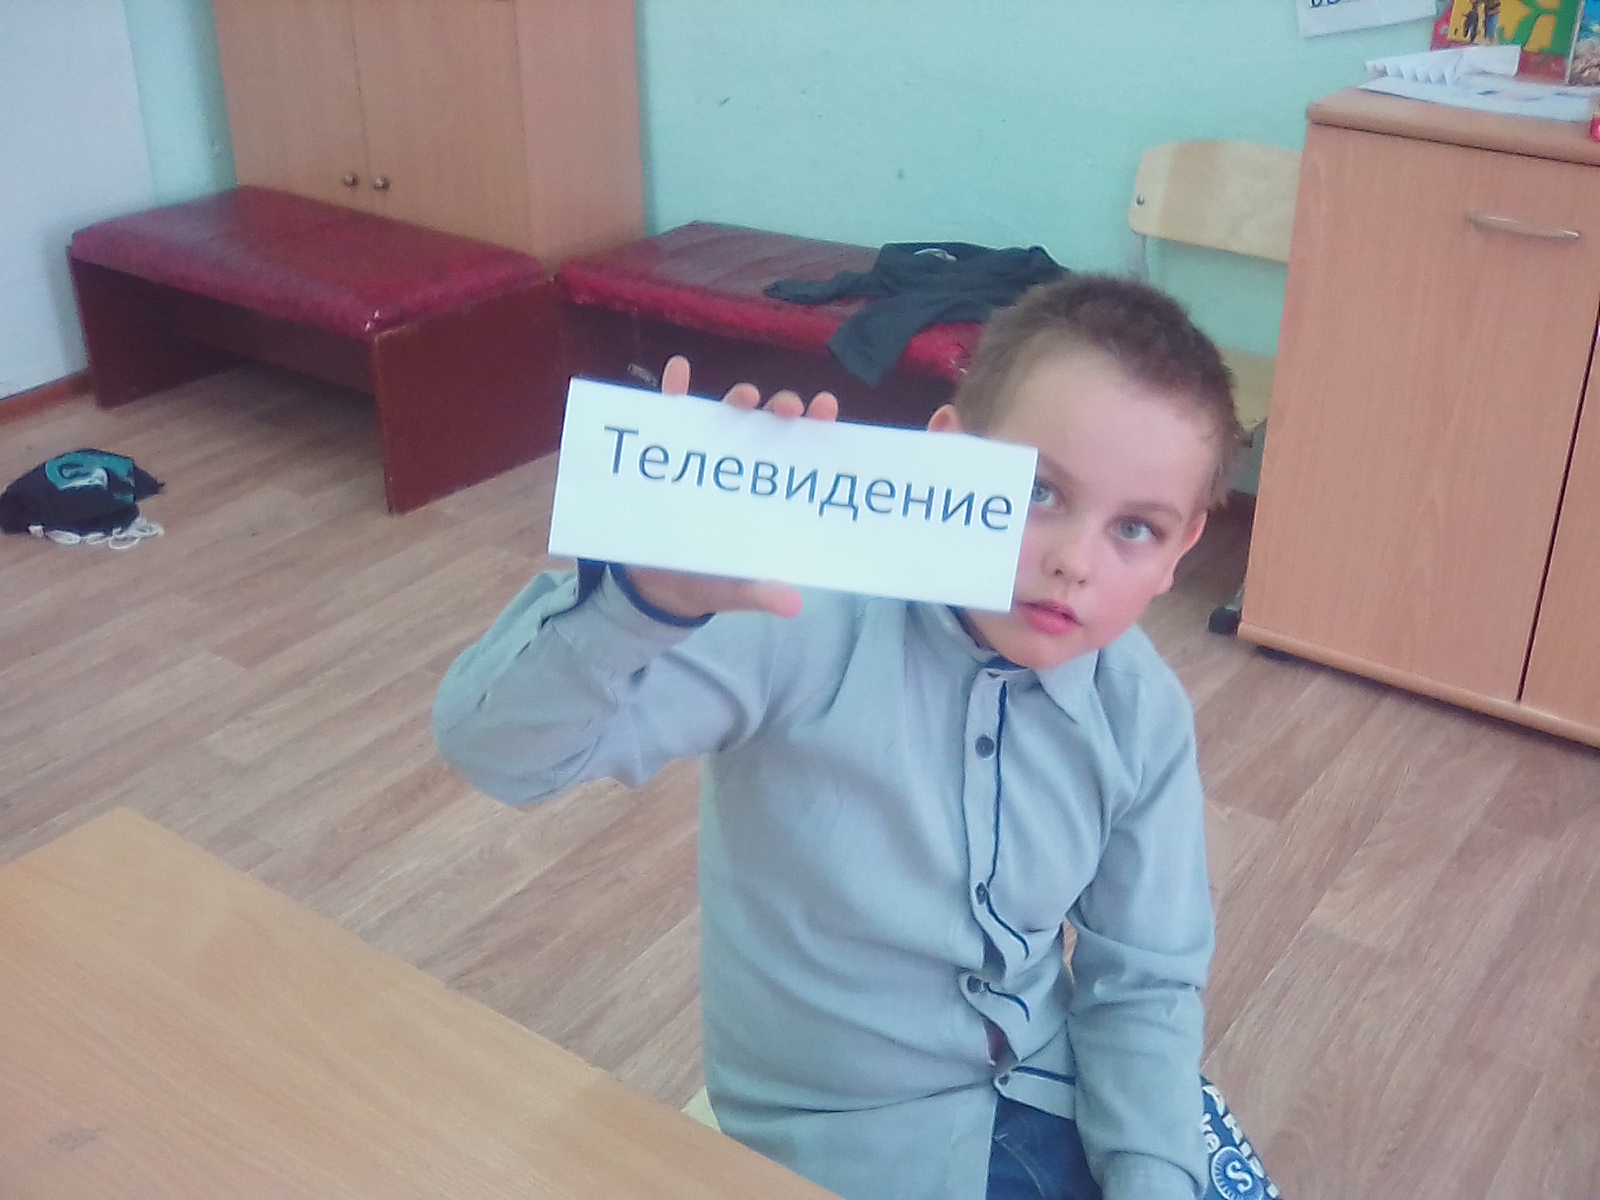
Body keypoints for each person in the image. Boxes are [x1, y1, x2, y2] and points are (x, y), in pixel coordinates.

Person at [432, 274, 1246, 1200]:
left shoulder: (1141, 709)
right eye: (1039, 492)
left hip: (1059, 1090)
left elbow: (1144, 979)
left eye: (1136, 528)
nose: (1075, 562)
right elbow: (494, 749)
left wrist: (1152, 1177)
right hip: (849, 1141)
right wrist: (642, 605)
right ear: (947, 455)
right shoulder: (794, 614)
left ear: (1181, 553)